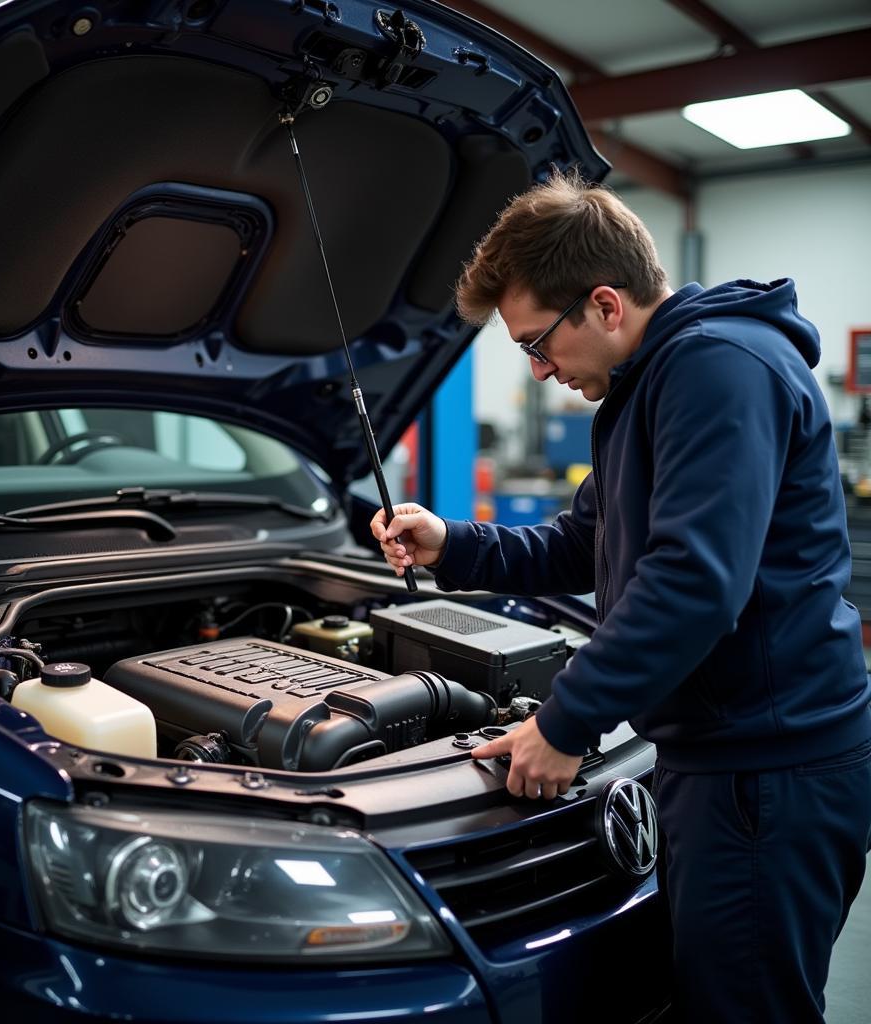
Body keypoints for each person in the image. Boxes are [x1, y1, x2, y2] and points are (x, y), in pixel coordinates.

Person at [370, 170, 871, 1024]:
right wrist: (454, 543)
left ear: (604, 305)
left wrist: (567, 722)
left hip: (767, 770)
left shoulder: (719, 370)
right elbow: (582, 542)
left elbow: (694, 582)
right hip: (719, 756)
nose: (535, 371)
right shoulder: (652, 383)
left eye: (537, 343)